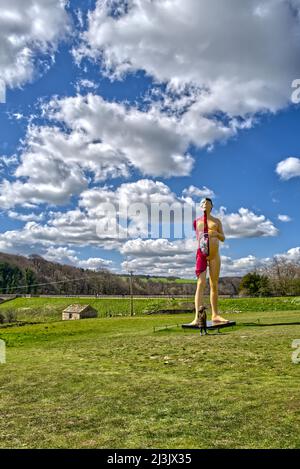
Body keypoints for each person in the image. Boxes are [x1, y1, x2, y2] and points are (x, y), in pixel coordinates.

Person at [190, 197, 229, 325]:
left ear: (212, 206)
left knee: (214, 284)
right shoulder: (197, 222)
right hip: (201, 254)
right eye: (202, 203)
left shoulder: (217, 221)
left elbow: (223, 238)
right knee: (200, 284)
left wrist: (216, 234)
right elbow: (198, 237)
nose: (205, 204)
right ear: (200, 206)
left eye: (207, 203)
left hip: (214, 255)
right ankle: (197, 317)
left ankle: (215, 315)